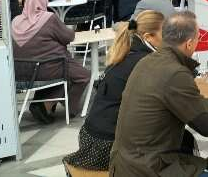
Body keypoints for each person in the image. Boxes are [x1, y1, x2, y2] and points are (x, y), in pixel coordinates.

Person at [110, 12, 208, 176]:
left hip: (126, 164)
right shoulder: (176, 73)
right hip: (148, 170)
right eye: (198, 38)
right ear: (189, 44)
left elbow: (177, 102)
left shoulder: (147, 61)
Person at [63, 11, 164, 171]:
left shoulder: (124, 53)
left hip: (89, 137)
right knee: (174, 141)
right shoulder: (145, 61)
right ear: (148, 37)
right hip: (108, 147)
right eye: (164, 33)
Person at [11, 0, 90, 121]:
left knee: (63, 73)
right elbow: (68, 37)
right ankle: (49, 105)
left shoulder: (15, 21)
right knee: (82, 75)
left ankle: (41, 103)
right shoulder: (49, 18)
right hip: (48, 67)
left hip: (19, 72)